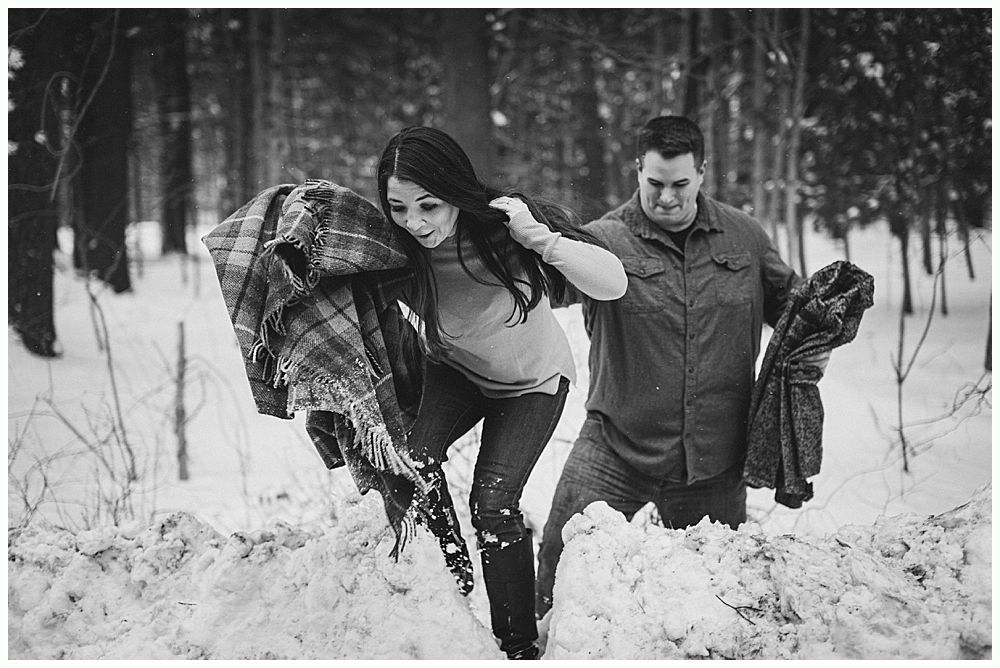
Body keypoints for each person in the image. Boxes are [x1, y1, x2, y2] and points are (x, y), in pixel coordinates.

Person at [536, 115, 825, 616]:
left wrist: (828, 319)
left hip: (713, 462)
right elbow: (540, 289)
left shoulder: (744, 237)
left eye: (680, 184)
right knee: (561, 567)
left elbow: (796, 313)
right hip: (615, 447)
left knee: (719, 599)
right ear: (637, 171)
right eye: (654, 184)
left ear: (703, 172)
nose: (666, 198)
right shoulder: (601, 241)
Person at [376, 126, 627, 660]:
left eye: (428, 205)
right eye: (399, 208)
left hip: (533, 385)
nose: (415, 223)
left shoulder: (507, 224)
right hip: (457, 373)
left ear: (455, 192)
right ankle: (454, 574)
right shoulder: (396, 248)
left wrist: (540, 238)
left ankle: (517, 645)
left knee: (492, 501)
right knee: (412, 460)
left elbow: (613, 283)